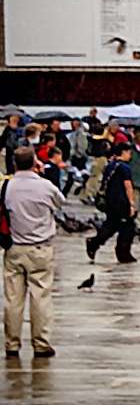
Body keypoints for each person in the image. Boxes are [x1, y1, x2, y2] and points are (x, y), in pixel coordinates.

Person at [3, 146, 75, 361]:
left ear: (14, 163)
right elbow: (60, 202)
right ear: (35, 162)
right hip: (41, 247)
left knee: (13, 298)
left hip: (14, 246)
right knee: (40, 297)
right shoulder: (45, 186)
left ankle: (12, 343)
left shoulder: (6, 186)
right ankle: (41, 343)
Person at [85, 140, 139, 265]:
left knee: (111, 225)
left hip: (110, 201)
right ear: (124, 152)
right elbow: (128, 186)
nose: (130, 155)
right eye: (129, 152)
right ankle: (123, 253)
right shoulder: (125, 168)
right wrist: (131, 204)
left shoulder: (110, 166)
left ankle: (94, 242)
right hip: (122, 201)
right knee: (128, 227)